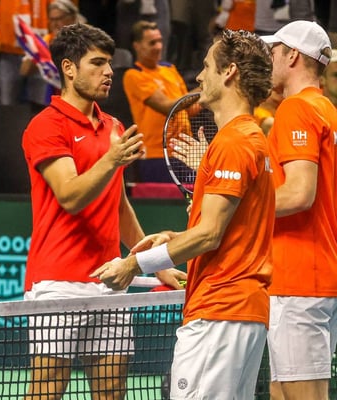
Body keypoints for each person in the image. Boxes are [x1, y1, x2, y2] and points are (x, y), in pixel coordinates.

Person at [92, 29, 275, 398]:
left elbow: (210, 234)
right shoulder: (251, 137)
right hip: (238, 310)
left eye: (206, 66)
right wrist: (174, 238)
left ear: (229, 72)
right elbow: (228, 229)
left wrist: (135, 264)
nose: (200, 77)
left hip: (221, 310)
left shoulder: (234, 142)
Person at [21, 22, 186, 400]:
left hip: (112, 280)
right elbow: (70, 196)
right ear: (69, 68)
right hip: (58, 284)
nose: (109, 71)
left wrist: (157, 265)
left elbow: (120, 207)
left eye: (109, 63)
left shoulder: (113, 126)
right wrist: (112, 159)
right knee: (47, 390)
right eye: (97, 63)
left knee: (112, 391)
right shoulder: (45, 126)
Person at [260, 20, 337, 400]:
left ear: (292, 56)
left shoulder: (296, 109)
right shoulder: (327, 110)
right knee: (280, 392)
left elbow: (299, 194)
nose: (269, 59)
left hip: (300, 280)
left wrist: (238, 211)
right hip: (315, 276)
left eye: (274, 51)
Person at [122, 20, 195, 182]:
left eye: (160, 41)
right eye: (152, 43)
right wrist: (205, 88)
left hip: (185, 152)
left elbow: (189, 110)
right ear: (137, 46)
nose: (158, 47)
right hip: (157, 155)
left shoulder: (170, 69)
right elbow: (168, 107)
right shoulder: (134, 75)